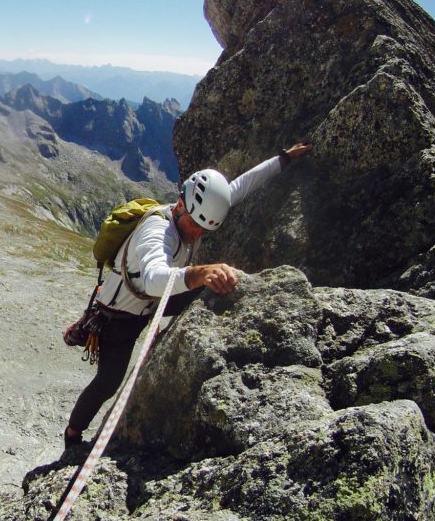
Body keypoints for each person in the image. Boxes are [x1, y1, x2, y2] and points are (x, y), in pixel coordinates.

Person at [64, 142, 312, 447]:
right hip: (119, 319)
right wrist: (200, 273)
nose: (197, 234)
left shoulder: (199, 209)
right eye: (194, 226)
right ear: (180, 205)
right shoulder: (157, 230)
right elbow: (155, 279)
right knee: (108, 382)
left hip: (148, 303)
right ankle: (73, 435)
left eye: (204, 230)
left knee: (208, 290)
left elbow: (238, 187)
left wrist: (283, 158)